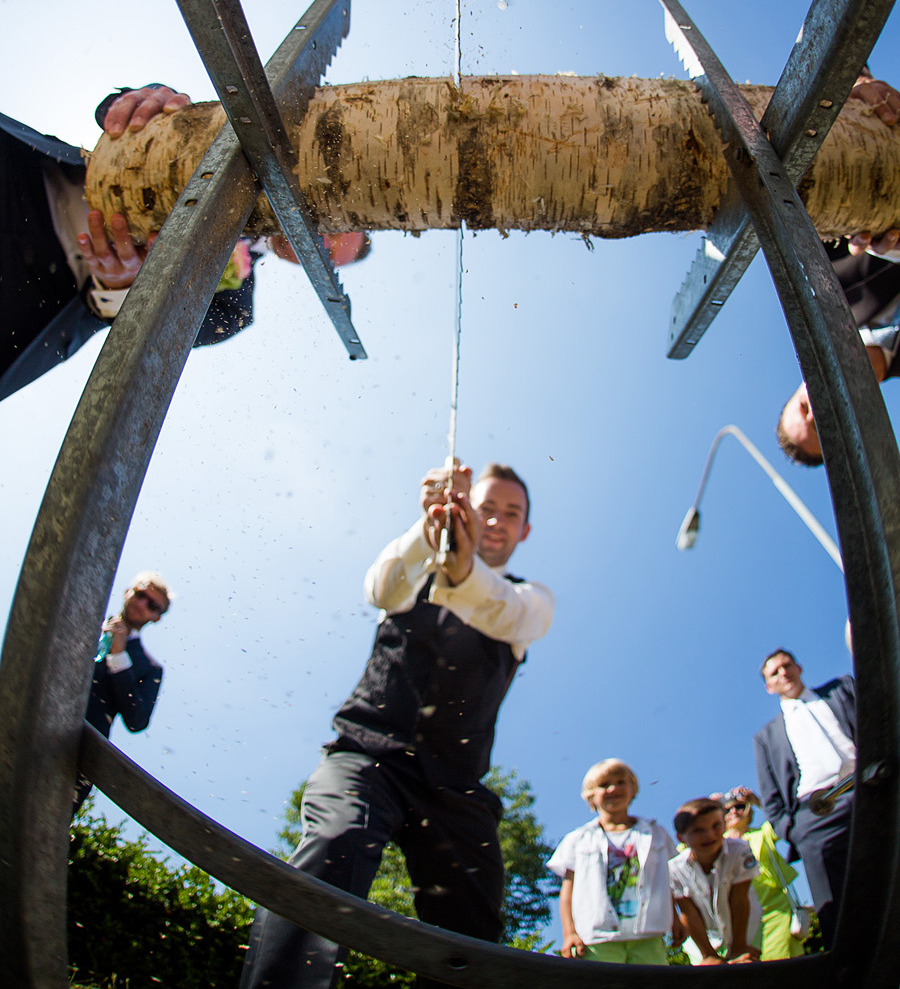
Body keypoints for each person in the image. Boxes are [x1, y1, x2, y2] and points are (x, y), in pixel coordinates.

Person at [239, 459, 554, 989]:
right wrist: (426, 526)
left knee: (472, 933)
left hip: (457, 790)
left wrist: (464, 572)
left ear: (525, 529)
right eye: (486, 508)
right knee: (336, 844)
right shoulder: (413, 570)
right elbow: (382, 589)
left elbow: (507, 613)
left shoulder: (531, 600)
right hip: (366, 757)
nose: (496, 521)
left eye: (511, 513)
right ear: (465, 509)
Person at [0, 83, 367, 402]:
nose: (319, 238)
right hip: (23, 178)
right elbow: (125, 111)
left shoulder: (233, 312)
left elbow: (149, 336)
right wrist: (143, 104)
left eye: (328, 252)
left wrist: (122, 286)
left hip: (30, 298)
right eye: (332, 226)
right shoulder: (229, 146)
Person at [753, 648, 856, 949]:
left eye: (786, 665)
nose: (783, 672)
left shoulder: (842, 689)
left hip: (870, 786)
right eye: (775, 672)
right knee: (839, 912)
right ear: (768, 686)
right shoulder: (766, 737)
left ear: (799, 667)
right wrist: (795, 829)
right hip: (816, 817)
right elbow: (771, 797)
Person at [777, 232, 900, 466]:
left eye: (804, 407)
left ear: (803, 383)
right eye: (821, 426)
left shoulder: (829, 275)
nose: (816, 410)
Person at [546, 757, 677, 966]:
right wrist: (569, 932)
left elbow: (670, 881)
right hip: (596, 940)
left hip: (648, 936)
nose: (613, 788)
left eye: (620, 782)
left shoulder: (655, 833)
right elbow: (568, 891)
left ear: (633, 789)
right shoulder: (578, 839)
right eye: (604, 785)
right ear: (590, 796)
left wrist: (678, 920)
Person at [75, 570, 171, 810]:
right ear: (128, 592)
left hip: (75, 754)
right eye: (140, 595)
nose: (141, 604)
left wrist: (118, 656)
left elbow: (137, 720)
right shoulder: (82, 617)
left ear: (156, 617)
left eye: (152, 605)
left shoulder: (149, 667)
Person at [668, 797, 761, 965]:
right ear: (681, 838)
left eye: (716, 826)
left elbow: (739, 900)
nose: (709, 835)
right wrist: (708, 954)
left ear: (724, 825)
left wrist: (739, 947)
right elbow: (689, 912)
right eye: (698, 830)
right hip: (702, 938)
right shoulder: (674, 869)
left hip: (746, 929)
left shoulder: (740, 851)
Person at [720, 786, 805, 960]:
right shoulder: (717, 844)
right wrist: (710, 807)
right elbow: (687, 849)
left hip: (774, 908)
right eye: (727, 809)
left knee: (781, 962)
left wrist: (756, 800)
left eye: (740, 807)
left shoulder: (762, 833)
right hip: (737, 914)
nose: (734, 811)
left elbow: (782, 821)